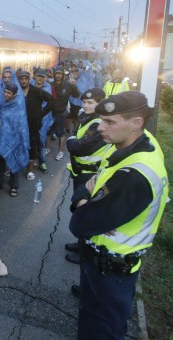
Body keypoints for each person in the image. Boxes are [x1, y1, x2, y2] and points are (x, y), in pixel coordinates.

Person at [69, 91, 168, 339]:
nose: (100, 127)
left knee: (100, 330)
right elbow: (90, 183)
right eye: (102, 119)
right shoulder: (135, 145)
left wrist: (82, 201)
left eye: (110, 122)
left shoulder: (133, 175)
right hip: (106, 265)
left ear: (137, 123)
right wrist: (84, 197)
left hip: (110, 273)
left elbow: (80, 224)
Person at [64, 88, 110, 269]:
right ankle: (80, 243)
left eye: (90, 103)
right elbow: (77, 140)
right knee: (79, 209)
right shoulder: (88, 119)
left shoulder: (98, 123)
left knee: (86, 211)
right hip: (81, 172)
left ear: (100, 104)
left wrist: (70, 141)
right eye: (84, 102)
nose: (85, 105)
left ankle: (85, 252)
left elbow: (80, 147)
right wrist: (73, 140)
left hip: (90, 175)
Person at [0, 80, 29, 197]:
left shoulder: (19, 105)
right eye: (5, 92)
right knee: (0, 161)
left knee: (13, 161)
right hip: (2, 137)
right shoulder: (1, 103)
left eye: (9, 93)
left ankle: (14, 186)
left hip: (15, 138)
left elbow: (21, 124)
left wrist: (19, 138)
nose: (6, 94)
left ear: (15, 94)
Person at [19, 70, 52, 181]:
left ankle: (30, 170)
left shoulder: (36, 91)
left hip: (33, 125)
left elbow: (52, 101)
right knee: (18, 146)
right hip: (19, 125)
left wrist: (41, 114)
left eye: (25, 79)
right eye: (21, 79)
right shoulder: (17, 91)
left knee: (32, 148)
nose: (24, 81)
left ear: (29, 79)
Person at [47, 67, 80, 161]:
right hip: (50, 113)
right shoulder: (50, 84)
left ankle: (61, 151)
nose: (58, 75)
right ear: (54, 74)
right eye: (56, 73)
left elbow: (76, 95)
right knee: (48, 132)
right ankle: (47, 148)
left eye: (60, 74)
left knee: (61, 134)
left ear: (62, 75)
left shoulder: (67, 85)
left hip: (61, 114)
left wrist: (74, 86)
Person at [32, 68, 53, 174]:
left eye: (42, 76)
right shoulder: (29, 84)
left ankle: (42, 162)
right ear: (35, 76)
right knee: (28, 139)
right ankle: (28, 161)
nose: (40, 78)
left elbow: (47, 103)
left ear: (45, 77)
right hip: (30, 117)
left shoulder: (47, 87)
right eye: (38, 76)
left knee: (41, 140)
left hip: (42, 118)